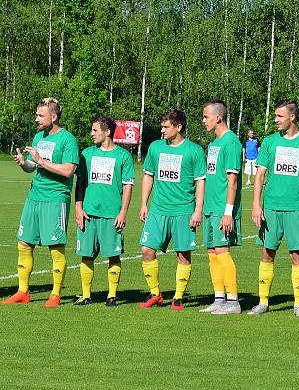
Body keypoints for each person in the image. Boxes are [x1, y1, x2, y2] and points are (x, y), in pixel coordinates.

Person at [3, 98, 79, 307]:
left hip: (55, 199)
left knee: (55, 247)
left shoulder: (68, 140)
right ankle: (23, 291)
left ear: (53, 117)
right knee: (24, 243)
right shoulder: (38, 137)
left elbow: (68, 170)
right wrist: (24, 164)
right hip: (34, 197)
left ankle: (55, 295)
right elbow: (33, 166)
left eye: (40, 115)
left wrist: (40, 161)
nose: (36, 119)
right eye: (37, 115)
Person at [250, 100, 299, 317]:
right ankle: (263, 302)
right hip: (271, 208)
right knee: (267, 252)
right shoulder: (270, 142)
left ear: (292, 117)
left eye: (280, 116)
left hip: (297, 209)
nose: (276, 120)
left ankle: (298, 304)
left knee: (296, 255)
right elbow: (260, 174)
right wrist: (256, 204)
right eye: (275, 116)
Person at [138, 109, 206, 310]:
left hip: (184, 210)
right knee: (146, 250)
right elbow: (148, 175)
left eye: (166, 126)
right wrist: (144, 203)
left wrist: (197, 210)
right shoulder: (156, 148)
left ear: (179, 127)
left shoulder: (194, 151)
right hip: (158, 210)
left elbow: (200, 181)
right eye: (162, 126)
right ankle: (155, 293)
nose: (162, 130)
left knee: (183, 255)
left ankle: (178, 297)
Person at [73, 116, 135, 307]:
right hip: (88, 213)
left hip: (112, 215)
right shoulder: (86, 154)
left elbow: (127, 186)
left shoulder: (123, 156)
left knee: (113, 255)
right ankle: (85, 295)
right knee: (86, 254)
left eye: (95, 130)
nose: (91, 133)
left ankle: (112, 295)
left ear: (107, 131)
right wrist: (78, 208)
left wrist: (123, 211)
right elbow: (80, 183)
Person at [199, 101, 243, 315]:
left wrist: (228, 212)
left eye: (206, 116)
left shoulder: (231, 142)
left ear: (218, 118)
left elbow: (232, 180)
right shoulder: (215, 144)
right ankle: (219, 298)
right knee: (212, 251)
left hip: (221, 208)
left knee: (222, 250)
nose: (204, 120)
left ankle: (233, 301)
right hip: (210, 206)